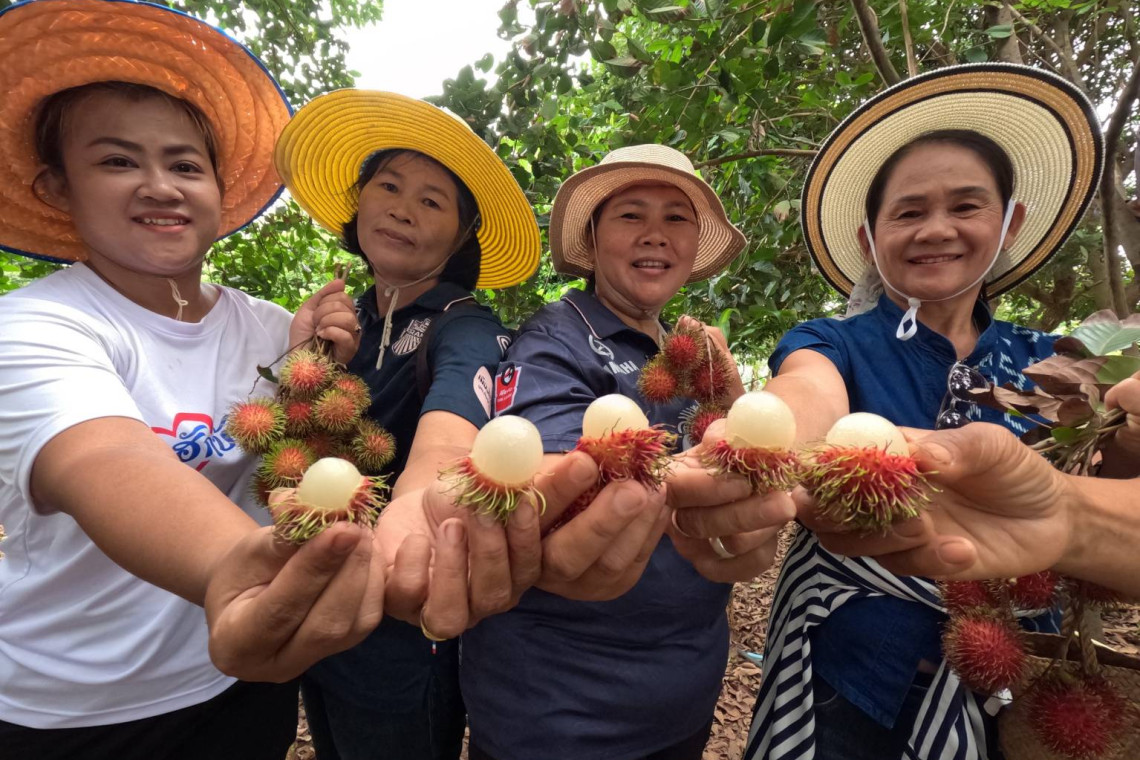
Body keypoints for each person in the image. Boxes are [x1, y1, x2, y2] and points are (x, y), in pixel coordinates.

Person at [274, 91, 678, 760]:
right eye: (389, 187)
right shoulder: (347, 319)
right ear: (359, 202)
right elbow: (290, 449)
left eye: (432, 201)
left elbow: (449, 439)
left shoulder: (465, 329)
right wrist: (306, 366)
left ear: (462, 236)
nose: (403, 209)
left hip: (402, 622)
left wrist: (413, 512)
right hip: (321, 604)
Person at [737, 64, 1121, 760]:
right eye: (909, 212)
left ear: (1010, 224)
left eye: (966, 206)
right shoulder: (833, 342)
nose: (936, 229)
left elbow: (1111, 485)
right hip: (853, 684)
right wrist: (761, 444)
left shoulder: (1061, 365)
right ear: (869, 239)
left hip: (1018, 686)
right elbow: (804, 395)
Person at [0, 1, 326, 758]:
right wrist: (247, 576)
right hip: (73, 710)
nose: (159, 186)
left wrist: (315, 371)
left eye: (185, 165)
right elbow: (103, 457)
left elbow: (300, 461)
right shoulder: (32, 327)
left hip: (234, 682)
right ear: (57, 188)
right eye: (117, 162)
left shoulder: (273, 330)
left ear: (216, 188)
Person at [461, 144, 795, 760]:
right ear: (592, 241)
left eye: (676, 218)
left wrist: (738, 420)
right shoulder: (555, 336)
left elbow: (732, 459)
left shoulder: (690, 355)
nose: (655, 234)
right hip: (558, 710)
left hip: (684, 695)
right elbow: (565, 495)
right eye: (631, 215)